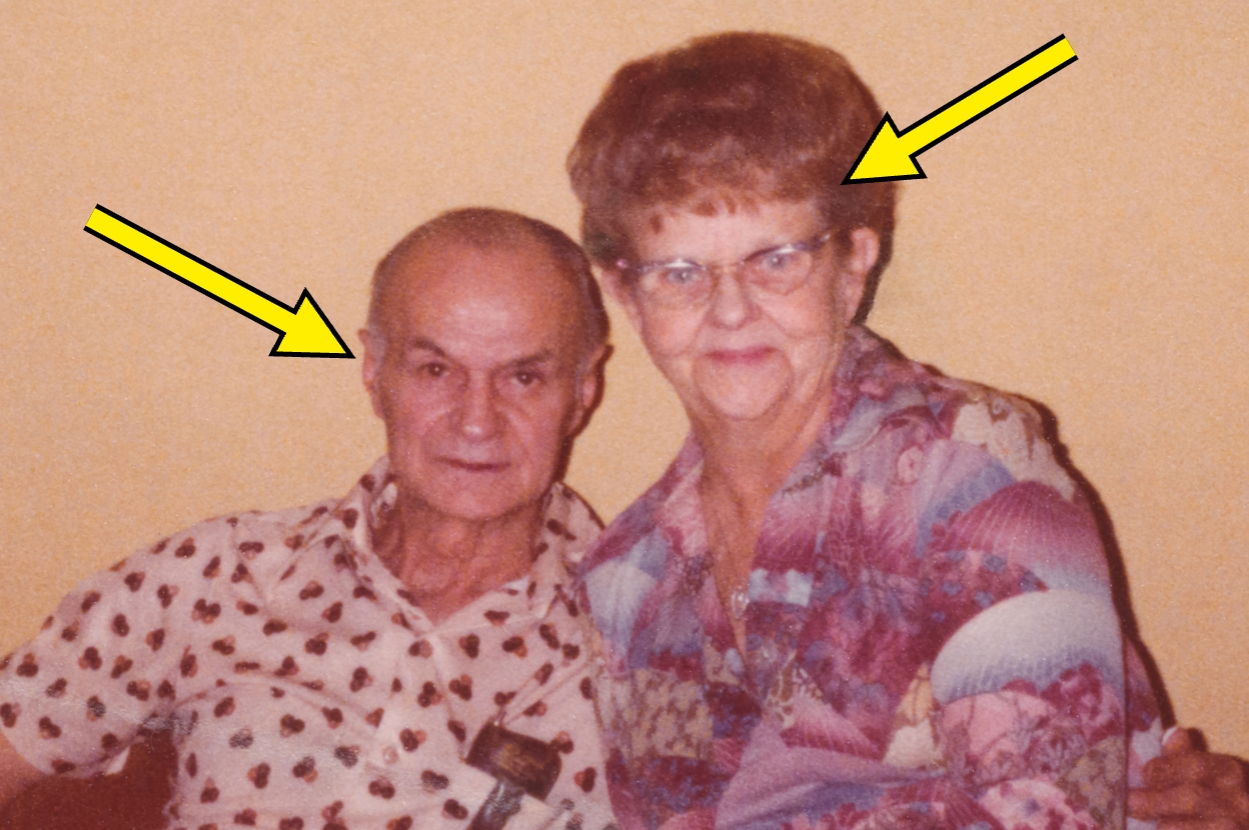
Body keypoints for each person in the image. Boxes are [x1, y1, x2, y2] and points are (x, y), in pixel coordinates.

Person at [568, 31, 1248, 830]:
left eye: (776, 259)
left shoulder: (968, 466)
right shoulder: (629, 579)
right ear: (626, 292)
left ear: (853, 263)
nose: (729, 309)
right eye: (679, 272)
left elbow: (1043, 814)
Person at [0, 208, 616, 830]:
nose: (477, 420)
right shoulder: (220, 573)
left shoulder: (642, 642)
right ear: (375, 373)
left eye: (525, 377)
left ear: (582, 391)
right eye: (435, 370)